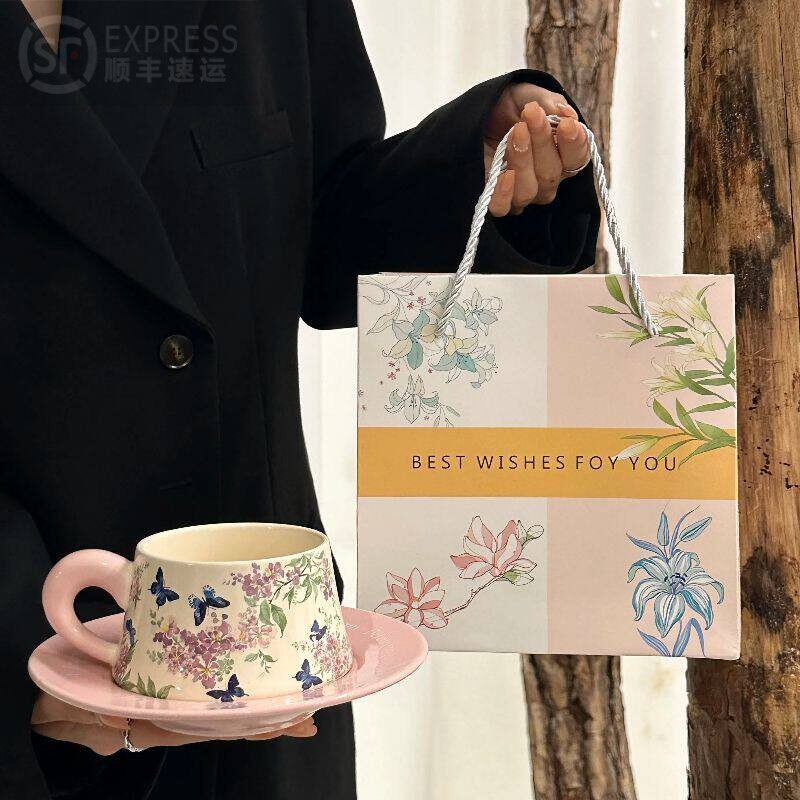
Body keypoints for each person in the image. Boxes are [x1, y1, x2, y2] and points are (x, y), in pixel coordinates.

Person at [1, 0, 599, 798]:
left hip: (263, 652)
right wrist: (15, 635)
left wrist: (473, 166)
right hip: (31, 666)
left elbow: (324, 229)